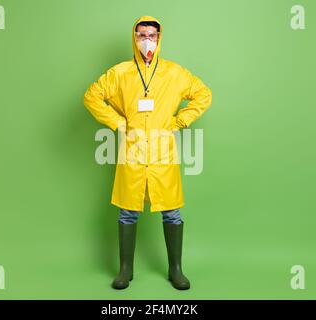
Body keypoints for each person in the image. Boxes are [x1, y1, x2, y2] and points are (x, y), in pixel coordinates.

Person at [83, 16, 212, 290]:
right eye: (141, 35)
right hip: (132, 152)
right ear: (134, 37)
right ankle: (125, 270)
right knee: (127, 212)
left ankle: (175, 269)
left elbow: (203, 94)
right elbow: (92, 96)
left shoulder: (174, 73)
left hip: (163, 152)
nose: (146, 40)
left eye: (151, 35)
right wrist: (118, 123)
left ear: (159, 38)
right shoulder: (119, 74)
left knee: (172, 213)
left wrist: (179, 121)